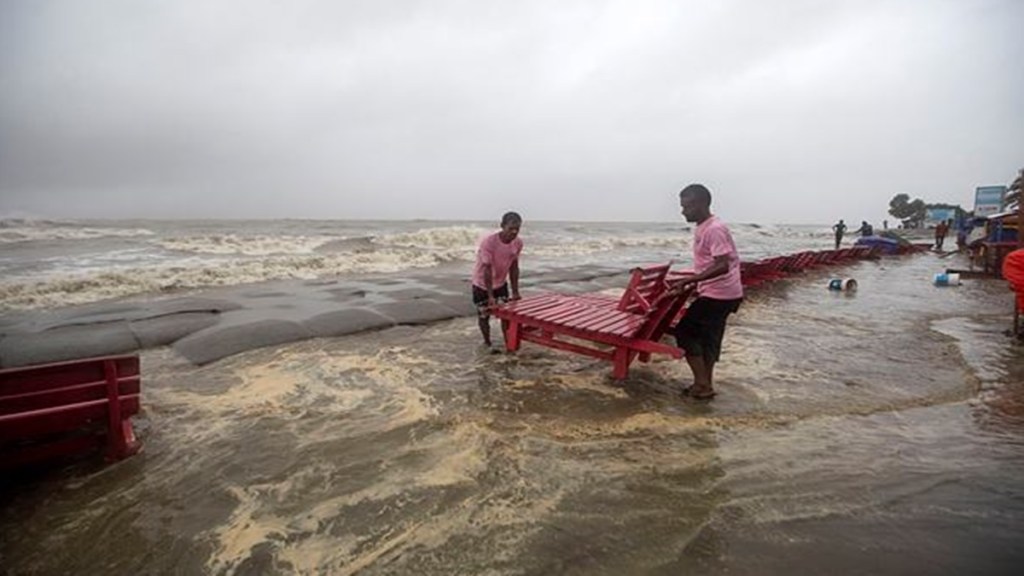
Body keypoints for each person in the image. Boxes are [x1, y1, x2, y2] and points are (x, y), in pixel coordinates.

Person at [669, 184, 743, 400]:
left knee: (685, 332)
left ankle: (702, 384)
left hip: (719, 294)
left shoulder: (714, 229)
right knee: (708, 339)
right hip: (725, 292)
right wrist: (694, 281)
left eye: (688, 206)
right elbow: (710, 263)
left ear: (702, 204)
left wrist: (692, 279)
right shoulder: (705, 226)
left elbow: (722, 265)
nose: (683, 211)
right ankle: (704, 384)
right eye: (682, 206)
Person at [471, 211, 523, 348]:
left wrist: (515, 292)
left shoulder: (517, 243)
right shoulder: (489, 242)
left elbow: (514, 267)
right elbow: (487, 269)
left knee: (506, 316)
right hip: (482, 284)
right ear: (502, 226)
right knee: (484, 315)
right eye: (510, 228)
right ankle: (487, 342)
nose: (514, 232)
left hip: (500, 283)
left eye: (517, 229)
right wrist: (490, 296)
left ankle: (508, 344)